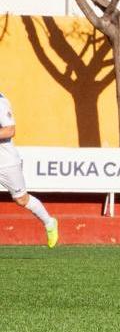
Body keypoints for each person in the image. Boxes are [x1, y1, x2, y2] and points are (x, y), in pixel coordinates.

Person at [0, 92, 58, 248]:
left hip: (5, 161)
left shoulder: (1, 101)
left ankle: (49, 222)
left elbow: (10, 130)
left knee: (21, 199)